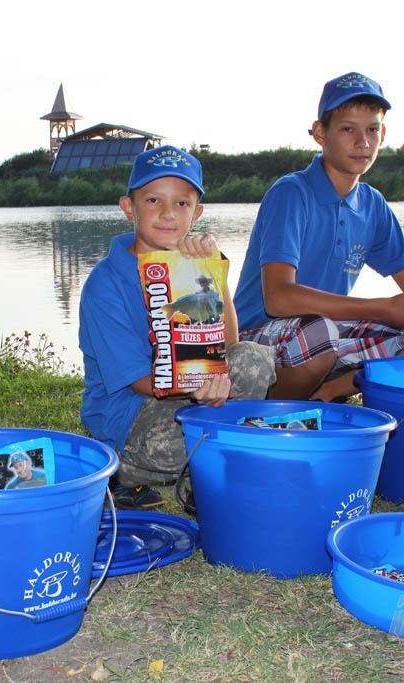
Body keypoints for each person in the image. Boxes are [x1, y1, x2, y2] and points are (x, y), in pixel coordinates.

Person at [233, 72, 404, 402]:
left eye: (372, 129)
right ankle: (274, 415)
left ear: (383, 133)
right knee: (320, 333)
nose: (363, 141)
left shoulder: (371, 204)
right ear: (320, 133)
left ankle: (326, 396)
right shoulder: (292, 193)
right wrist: (384, 309)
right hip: (258, 337)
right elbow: (278, 298)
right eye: (348, 129)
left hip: (324, 335)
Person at [79, 145, 275, 509]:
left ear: (196, 212)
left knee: (253, 359)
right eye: (153, 200)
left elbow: (228, 345)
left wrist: (214, 271)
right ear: (128, 208)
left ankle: (211, 469)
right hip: (131, 418)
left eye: (182, 204)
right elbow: (139, 381)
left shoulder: (191, 266)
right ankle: (123, 471)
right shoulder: (105, 283)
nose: (168, 214)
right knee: (199, 438)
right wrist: (200, 386)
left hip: (187, 394)